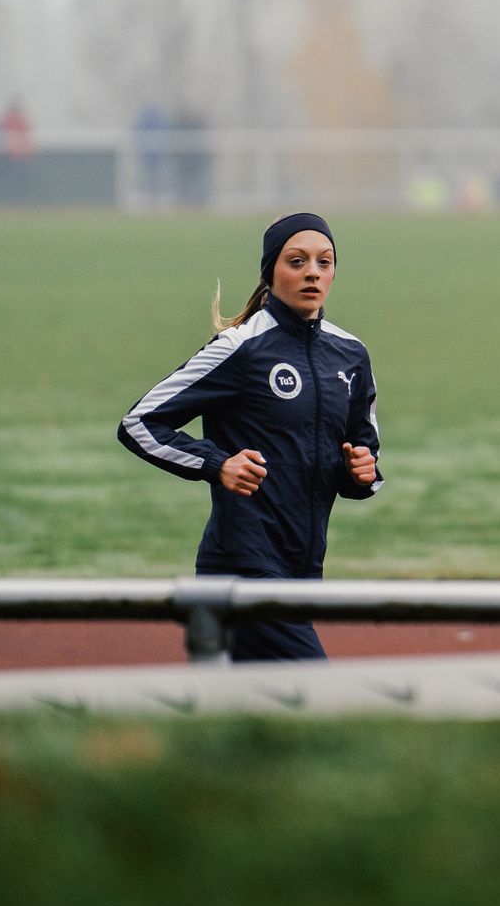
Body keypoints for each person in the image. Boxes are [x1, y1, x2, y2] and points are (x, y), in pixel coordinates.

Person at [115, 212, 382, 661]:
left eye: (324, 261)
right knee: (316, 690)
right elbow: (140, 423)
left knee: (260, 716)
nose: (312, 272)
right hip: (242, 565)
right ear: (270, 270)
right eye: (297, 261)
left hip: (303, 569)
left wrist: (362, 472)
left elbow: (365, 460)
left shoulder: (351, 355)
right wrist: (217, 464)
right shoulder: (240, 347)